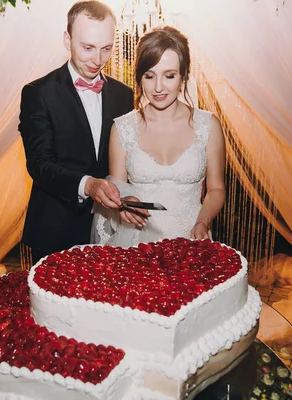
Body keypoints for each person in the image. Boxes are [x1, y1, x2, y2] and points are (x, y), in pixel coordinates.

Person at [19, 1, 134, 261]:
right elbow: (39, 164)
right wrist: (88, 185)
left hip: (111, 231)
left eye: (106, 49)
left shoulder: (124, 95)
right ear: (67, 39)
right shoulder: (38, 93)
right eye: (88, 47)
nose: (98, 59)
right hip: (56, 230)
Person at [92, 26, 226, 246]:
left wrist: (203, 222)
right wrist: (124, 205)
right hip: (137, 243)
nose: (158, 87)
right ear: (140, 78)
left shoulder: (208, 125)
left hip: (192, 239)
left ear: (183, 76)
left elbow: (216, 189)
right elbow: (119, 187)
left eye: (169, 76)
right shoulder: (122, 128)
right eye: (149, 76)